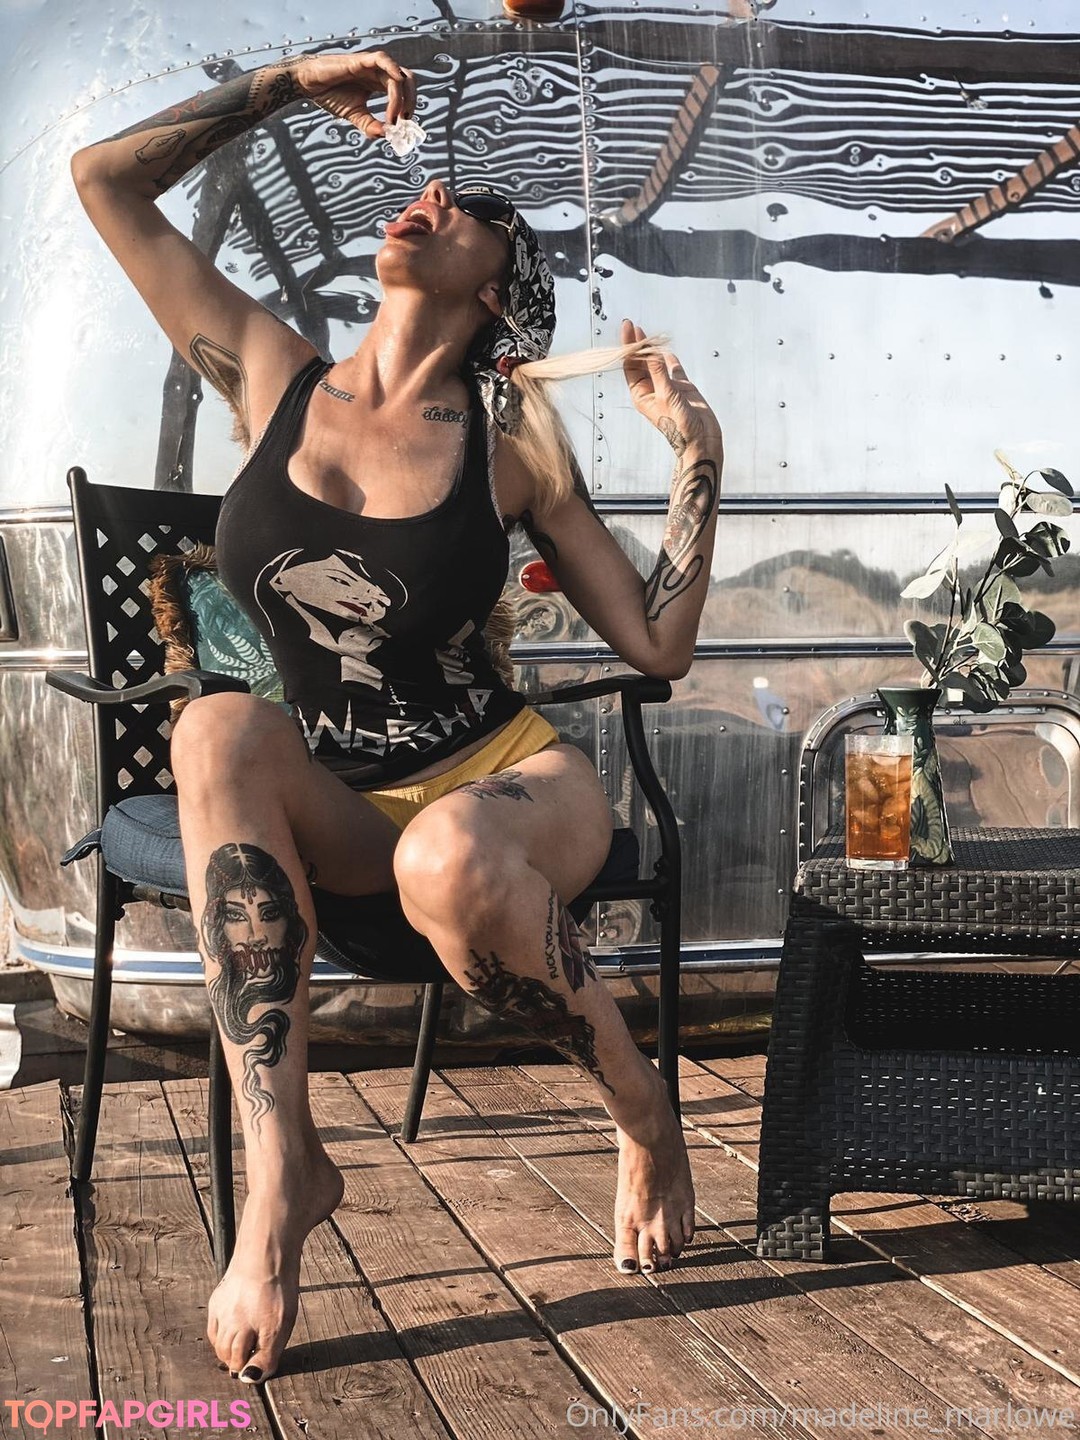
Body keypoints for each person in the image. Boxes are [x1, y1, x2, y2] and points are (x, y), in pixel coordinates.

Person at [70, 47, 724, 1384]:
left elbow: (657, 643)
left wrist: (698, 454)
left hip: (507, 787)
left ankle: (645, 1111)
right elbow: (104, 184)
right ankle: (281, 1179)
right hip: (346, 807)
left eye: (462, 208)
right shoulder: (272, 375)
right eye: (425, 188)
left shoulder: (511, 444)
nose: (423, 197)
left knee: (448, 856)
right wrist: (285, 85)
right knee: (214, 729)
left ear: (495, 288)